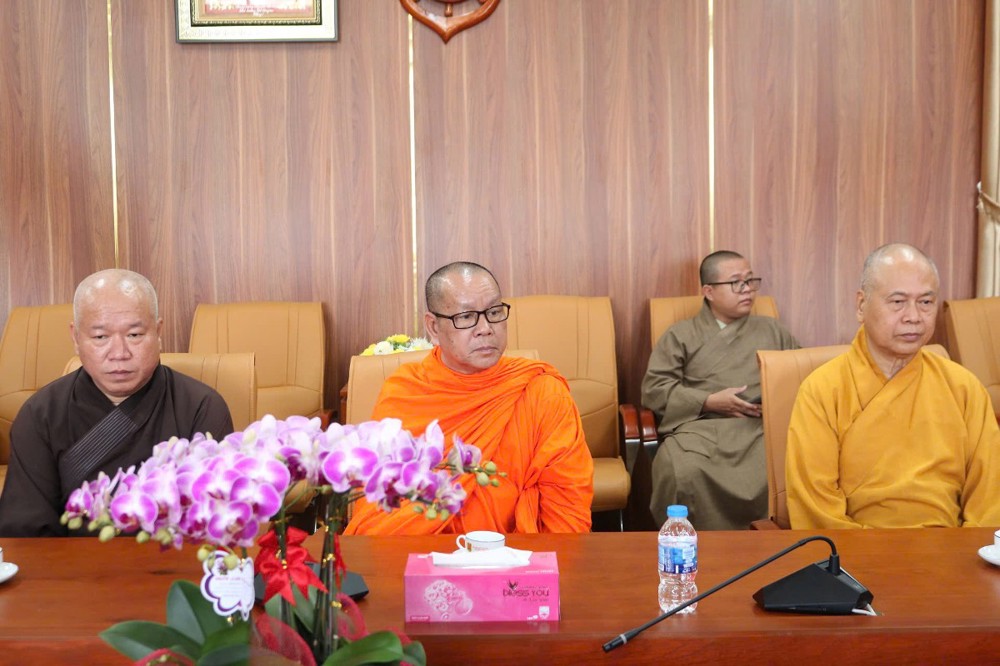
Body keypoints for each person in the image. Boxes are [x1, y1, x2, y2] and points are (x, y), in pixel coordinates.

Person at [344, 261, 594, 535]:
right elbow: (381, 509)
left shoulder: (541, 391)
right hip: (420, 553)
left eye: (494, 312)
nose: (485, 328)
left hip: (514, 554)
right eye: (466, 317)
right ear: (433, 328)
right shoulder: (405, 391)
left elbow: (567, 505)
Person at [0, 269, 233, 537]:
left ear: (158, 332)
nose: (119, 353)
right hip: (72, 562)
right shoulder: (40, 414)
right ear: (76, 338)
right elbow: (27, 533)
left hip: (170, 560)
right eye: (101, 337)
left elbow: (215, 522)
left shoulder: (201, 407)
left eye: (134, 335)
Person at [786, 243, 1000, 529]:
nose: (914, 316)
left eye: (926, 302)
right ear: (861, 305)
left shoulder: (963, 387)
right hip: (857, 551)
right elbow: (816, 509)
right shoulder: (823, 390)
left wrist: (963, 552)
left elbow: (989, 502)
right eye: (898, 301)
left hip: (950, 549)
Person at [642, 251, 799, 530]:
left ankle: (771, 542)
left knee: (787, 462)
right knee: (681, 468)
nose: (747, 289)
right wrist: (708, 400)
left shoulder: (773, 330)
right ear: (709, 291)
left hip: (760, 428)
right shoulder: (680, 335)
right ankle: (685, 542)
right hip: (701, 429)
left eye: (750, 281)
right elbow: (655, 389)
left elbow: (799, 376)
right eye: (736, 282)